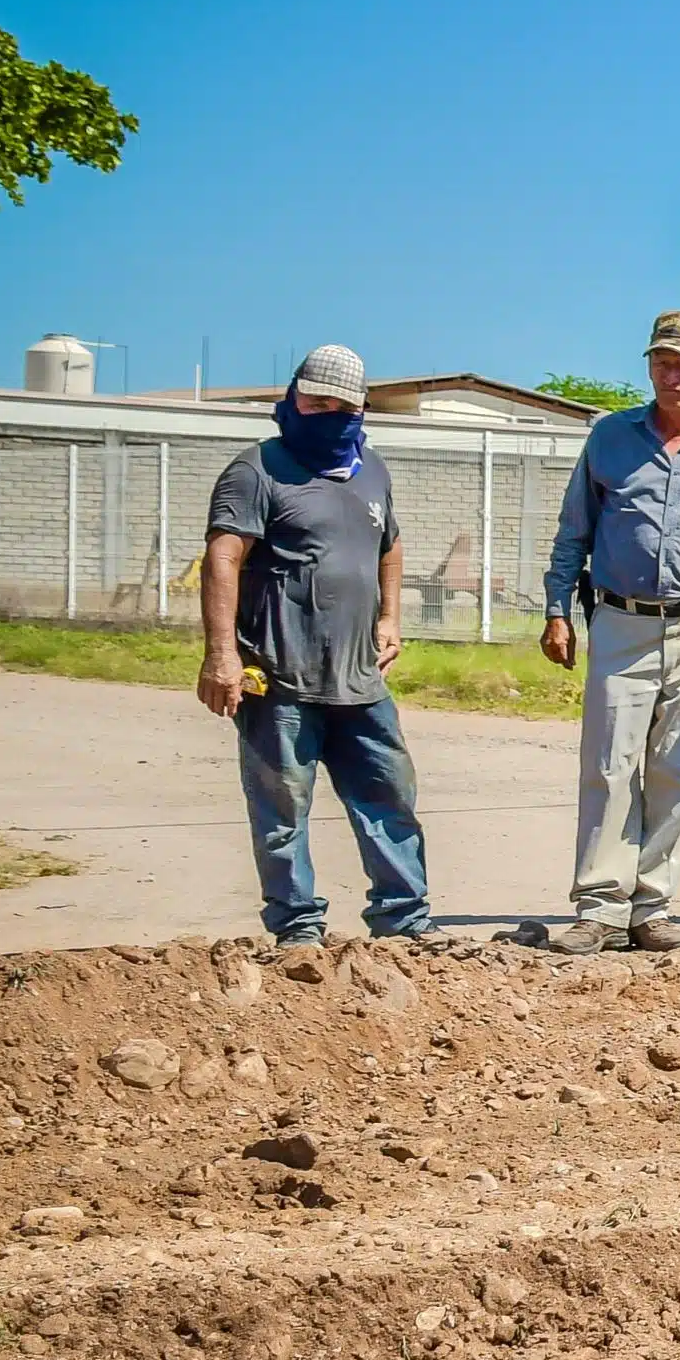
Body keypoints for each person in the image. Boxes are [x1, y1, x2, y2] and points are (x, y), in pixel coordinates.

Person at [537, 311, 680, 954]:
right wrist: (558, 608)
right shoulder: (611, 438)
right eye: (661, 362)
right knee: (610, 764)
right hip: (620, 621)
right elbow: (572, 535)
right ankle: (599, 906)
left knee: (678, 769)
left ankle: (652, 905)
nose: (672, 375)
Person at [197, 344, 433, 947]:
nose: (327, 413)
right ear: (293, 396)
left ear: (361, 409)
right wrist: (222, 653)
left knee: (390, 798)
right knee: (283, 810)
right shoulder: (257, 470)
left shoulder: (371, 468)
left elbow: (391, 547)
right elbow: (223, 556)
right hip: (279, 676)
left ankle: (403, 924)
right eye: (315, 400)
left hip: (359, 677)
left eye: (341, 405)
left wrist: (391, 619)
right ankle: (297, 928)